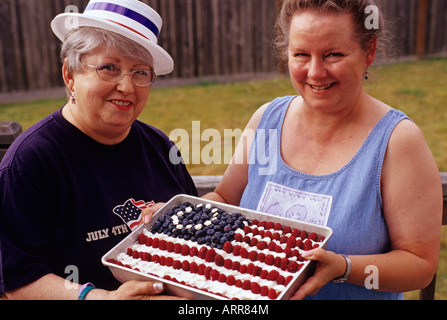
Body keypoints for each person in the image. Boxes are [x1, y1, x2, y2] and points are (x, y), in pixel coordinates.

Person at [202, 0, 443, 300]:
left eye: (333, 55)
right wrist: (181, 216)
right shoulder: (266, 120)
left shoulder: (397, 141)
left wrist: (344, 267)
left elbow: (420, 265)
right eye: (301, 54)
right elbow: (225, 197)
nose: (315, 72)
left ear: (368, 51)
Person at [0, 0, 197, 300]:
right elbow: (19, 280)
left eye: (140, 73)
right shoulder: (31, 161)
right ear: (70, 75)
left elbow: (199, 237)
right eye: (109, 68)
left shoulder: (161, 148)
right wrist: (99, 298)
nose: (127, 87)